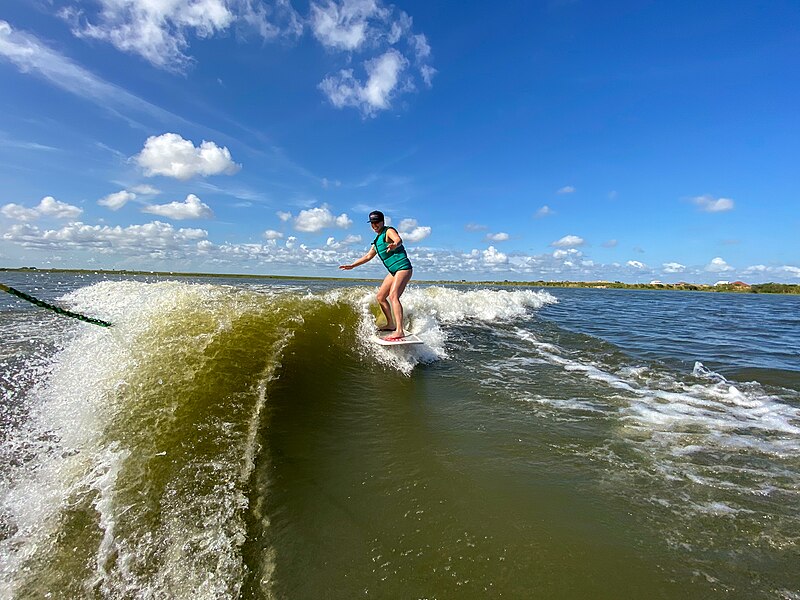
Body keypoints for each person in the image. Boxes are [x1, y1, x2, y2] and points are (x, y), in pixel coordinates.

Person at [339, 210, 413, 341]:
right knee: (380, 297)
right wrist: (352, 265)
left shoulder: (388, 231)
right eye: (372, 223)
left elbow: (398, 239)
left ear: (382, 222)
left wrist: (395, 244)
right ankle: (390, 324)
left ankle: (399, 331)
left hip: (403, 268)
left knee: (393, 296)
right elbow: (368, 256)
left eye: (377, 222)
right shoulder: (377, 241)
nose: (375, 225)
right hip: (393, 271)